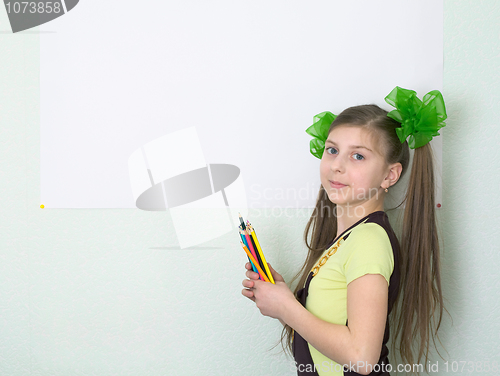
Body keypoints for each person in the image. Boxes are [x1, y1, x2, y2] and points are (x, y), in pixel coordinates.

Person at [241, 87, 446, 376]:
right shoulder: (348, 239)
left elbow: (362, 358)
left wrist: (287, 308)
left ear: (390, 175)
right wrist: (282, 299)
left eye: (358, 156)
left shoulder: (369, 242)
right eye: (333, 150)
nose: (337, 165)